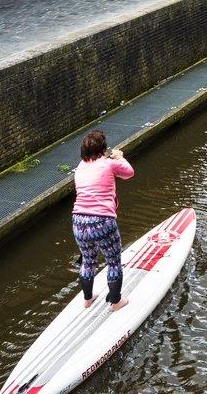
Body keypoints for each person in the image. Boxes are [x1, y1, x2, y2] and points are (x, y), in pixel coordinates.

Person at [72, 130, 134, 311]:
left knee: (88, 261)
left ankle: (87, 299)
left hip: (78, 221)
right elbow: (129, 173)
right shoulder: (108, 164)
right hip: (102, 221)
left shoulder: (80, 167)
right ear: (103, 149)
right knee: (113, 261)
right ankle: (116, 301)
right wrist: (119, 157)